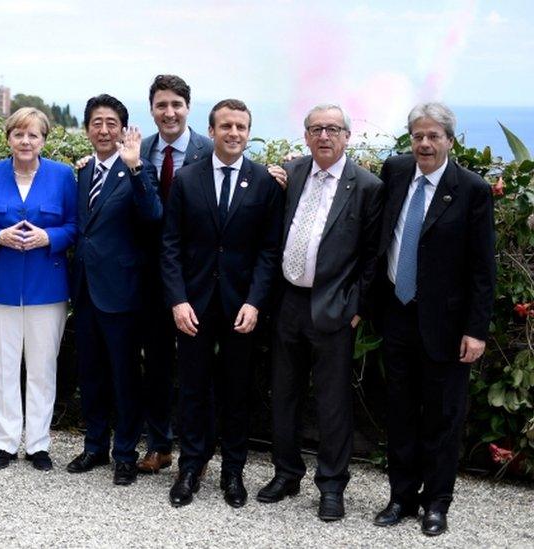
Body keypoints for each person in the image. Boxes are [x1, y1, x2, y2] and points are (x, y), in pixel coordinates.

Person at [372, 102, 495, 536]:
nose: (424, 143)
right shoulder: (396, 170)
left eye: (433, 136)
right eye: (418, 136)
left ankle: (436, 504)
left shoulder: (472, 189)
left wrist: (475, 331)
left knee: (443, 417)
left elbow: (483, 269)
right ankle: (401, 497)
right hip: (397, 314)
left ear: (450, 140)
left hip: (445, 324)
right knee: (400, 412)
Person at [257, 104, 383, 521]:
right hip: (288, 302)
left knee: (332, 403)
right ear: (306, 136)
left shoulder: (365, 186)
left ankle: (331, 486)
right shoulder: (290, 175)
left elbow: (373, 256)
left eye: (332, 129)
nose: (324, 136)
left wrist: (358, 308)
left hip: (334, 308)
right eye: (316, 129)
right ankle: (286, 473)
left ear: (347, 135)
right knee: (285, 394)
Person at [161, 99, 284, 508]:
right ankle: (191, 467)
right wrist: (177, 300)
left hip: (241, 307)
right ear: (211, 131)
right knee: (193, 389)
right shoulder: (187, 178)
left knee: (236, 391)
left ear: (249, 133)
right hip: (193, 305)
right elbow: (171, 245)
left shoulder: (264, 182)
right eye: (226, 126)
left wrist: (256, 302)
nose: (234, 133)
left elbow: (270, 251)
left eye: (241, 127)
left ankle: (233, 471)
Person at [0, 107, 77, 472]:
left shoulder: (62, 176)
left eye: (33, 135)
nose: (26, 141)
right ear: (8, 138)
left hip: (47, 287)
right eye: (19, 134)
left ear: (44, 140)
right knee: (3, 366)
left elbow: (76, 226)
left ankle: (39, 444)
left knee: (43, 368)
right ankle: (6, 442)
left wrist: (49, 236)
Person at [65, 95, 161, 485]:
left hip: (121, 291)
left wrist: (136, 166)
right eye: (96, 123)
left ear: (123, 129)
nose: (103, 130)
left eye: (111, 123)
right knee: (90, 373)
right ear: (87, 129)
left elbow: (153, 214)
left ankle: (125, 453)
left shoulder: (136, 168)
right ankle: (94, 446)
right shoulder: (84, 171)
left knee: (124, 376)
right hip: (85, 288)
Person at [135, 75, 213, 474]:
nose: (169, 113)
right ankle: (160, 444)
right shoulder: (140, 149)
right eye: (161, 105)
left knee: (197, 368)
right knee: (158, 365)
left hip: (199, 276)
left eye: (176, 105)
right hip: (152, 276)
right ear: (151, 109)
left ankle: (197, 452)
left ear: (188, 108)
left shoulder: (211, 150)